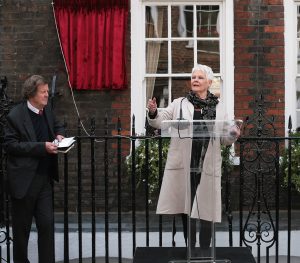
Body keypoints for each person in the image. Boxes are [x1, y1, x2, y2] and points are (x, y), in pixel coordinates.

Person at [147, 64, 240, 248]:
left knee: (206, 207)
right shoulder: (179, 103)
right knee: (186, 206)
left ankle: (205, 247)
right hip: (186, 162)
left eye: (200, 77)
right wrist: (153, 111)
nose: (195, 80)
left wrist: (232, 134)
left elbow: (223, 139)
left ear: (209, 82)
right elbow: (161, 121)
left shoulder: (219, 107)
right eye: (193, 77)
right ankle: (190, 244)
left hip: (207, 162)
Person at [4, 75, 65, 263]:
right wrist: (42, 147)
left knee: (46, 226)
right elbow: (10, 146)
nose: (47, 95)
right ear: (32, 94)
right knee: (21, 232)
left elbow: (57, 124)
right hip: (24, 182)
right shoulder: (15, 116)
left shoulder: (46, 110)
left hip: (43, 179)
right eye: (43, 92)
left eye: (47, 91)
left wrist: (60, 135)